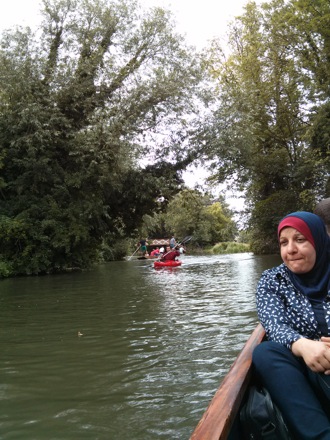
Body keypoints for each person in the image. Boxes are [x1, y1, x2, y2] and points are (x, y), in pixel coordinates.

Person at [252, 211, 330, 440]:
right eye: (283, 242)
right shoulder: (272, 280)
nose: (290, 250)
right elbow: (273, 324)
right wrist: (303, 345)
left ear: (319, 241)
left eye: (300, 239)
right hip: (296, 364)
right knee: (266, 352)